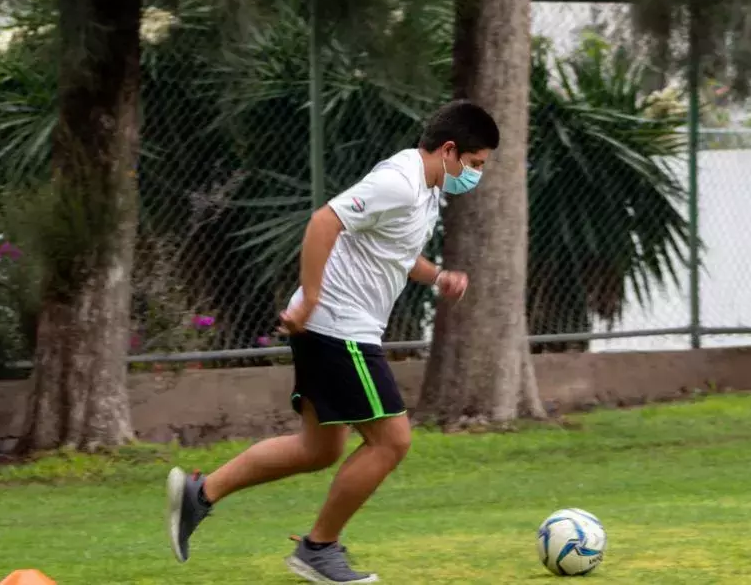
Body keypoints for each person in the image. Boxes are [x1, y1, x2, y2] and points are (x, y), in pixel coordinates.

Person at [165, 100, 500, 583]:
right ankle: (318, 548)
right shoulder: (399, 182)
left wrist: (439, 276)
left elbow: (398, 253)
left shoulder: (425, 190)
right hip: (340, 327)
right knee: (392, 442)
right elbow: (324, 221)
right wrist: (309, 300)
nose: (476, 176)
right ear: (450, 150)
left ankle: (199, 495)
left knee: (318, 449)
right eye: (475, 164)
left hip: (337, 327)